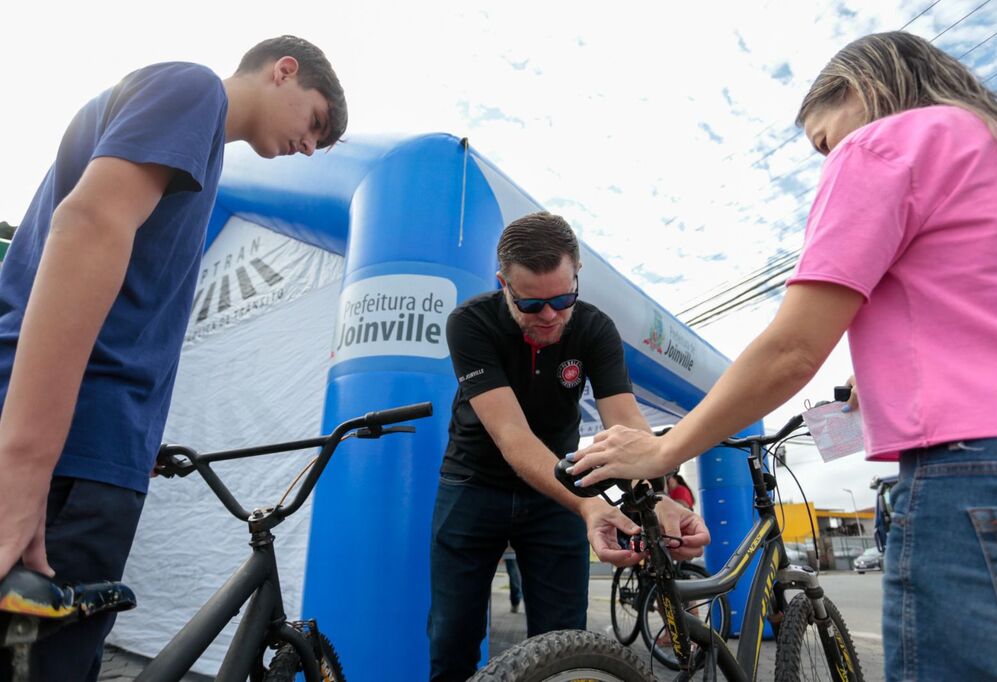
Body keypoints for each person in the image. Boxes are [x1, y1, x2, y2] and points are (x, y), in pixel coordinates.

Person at [568, 31, 997, 681]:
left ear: (863, 91)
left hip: (973, 472)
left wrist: (664, 451)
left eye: (823, 141)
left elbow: (791, 348)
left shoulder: (886, 142)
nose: (828, 158)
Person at [0, 36, 346, 681]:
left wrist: (142, 435)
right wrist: (24, 467)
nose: (308, 146)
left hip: (93, 437)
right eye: (316, 123)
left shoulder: (189, 139)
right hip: (73, 443)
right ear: (284, 71)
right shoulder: (193, 90)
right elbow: (89, 227)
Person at [427, 211, 710, 681]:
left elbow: (626, 425)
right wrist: (588, 505)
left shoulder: (595, 328)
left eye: (563, 298)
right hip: (472, 484)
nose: (551, 316)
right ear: (502, 283)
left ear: (577, 275)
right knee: (452, 637)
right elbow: (514, 439)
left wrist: (654, 496)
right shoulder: (469, 324)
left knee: (562, 641)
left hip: (555, 490)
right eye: (531, 305)